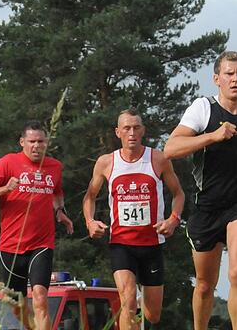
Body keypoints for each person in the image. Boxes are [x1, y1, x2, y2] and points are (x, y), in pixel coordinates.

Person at [163, 51, 237, 330]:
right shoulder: (203, 108)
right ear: (217, 79)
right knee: (204, 284)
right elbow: (171, 149)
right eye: (229, 74)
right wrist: (212, 135)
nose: (235, 79)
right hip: (207, 206)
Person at [82, 109, 185, 330]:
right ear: (117, 132)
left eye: (136, 128)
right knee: (128, 301)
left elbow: (179, 194)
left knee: (153, 314)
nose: (132, 133)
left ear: (143, 131)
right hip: (121, 244)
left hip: (152, 245)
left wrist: (173, 219)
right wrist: (90, 222)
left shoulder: (158, 159)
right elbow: (90, 196)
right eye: (126, 128)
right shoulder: (106, 162)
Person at [0, 121, 74, 330]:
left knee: (39, 297)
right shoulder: (8, 163)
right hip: (11, 246)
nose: (36, 146)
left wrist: (60, 211)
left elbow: (56, 191)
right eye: (32, 141)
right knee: (16, 305)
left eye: (41, 141)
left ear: (46, 142)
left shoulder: (54, 166)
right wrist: (4, 189)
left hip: (42, 244)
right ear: (22, 142)